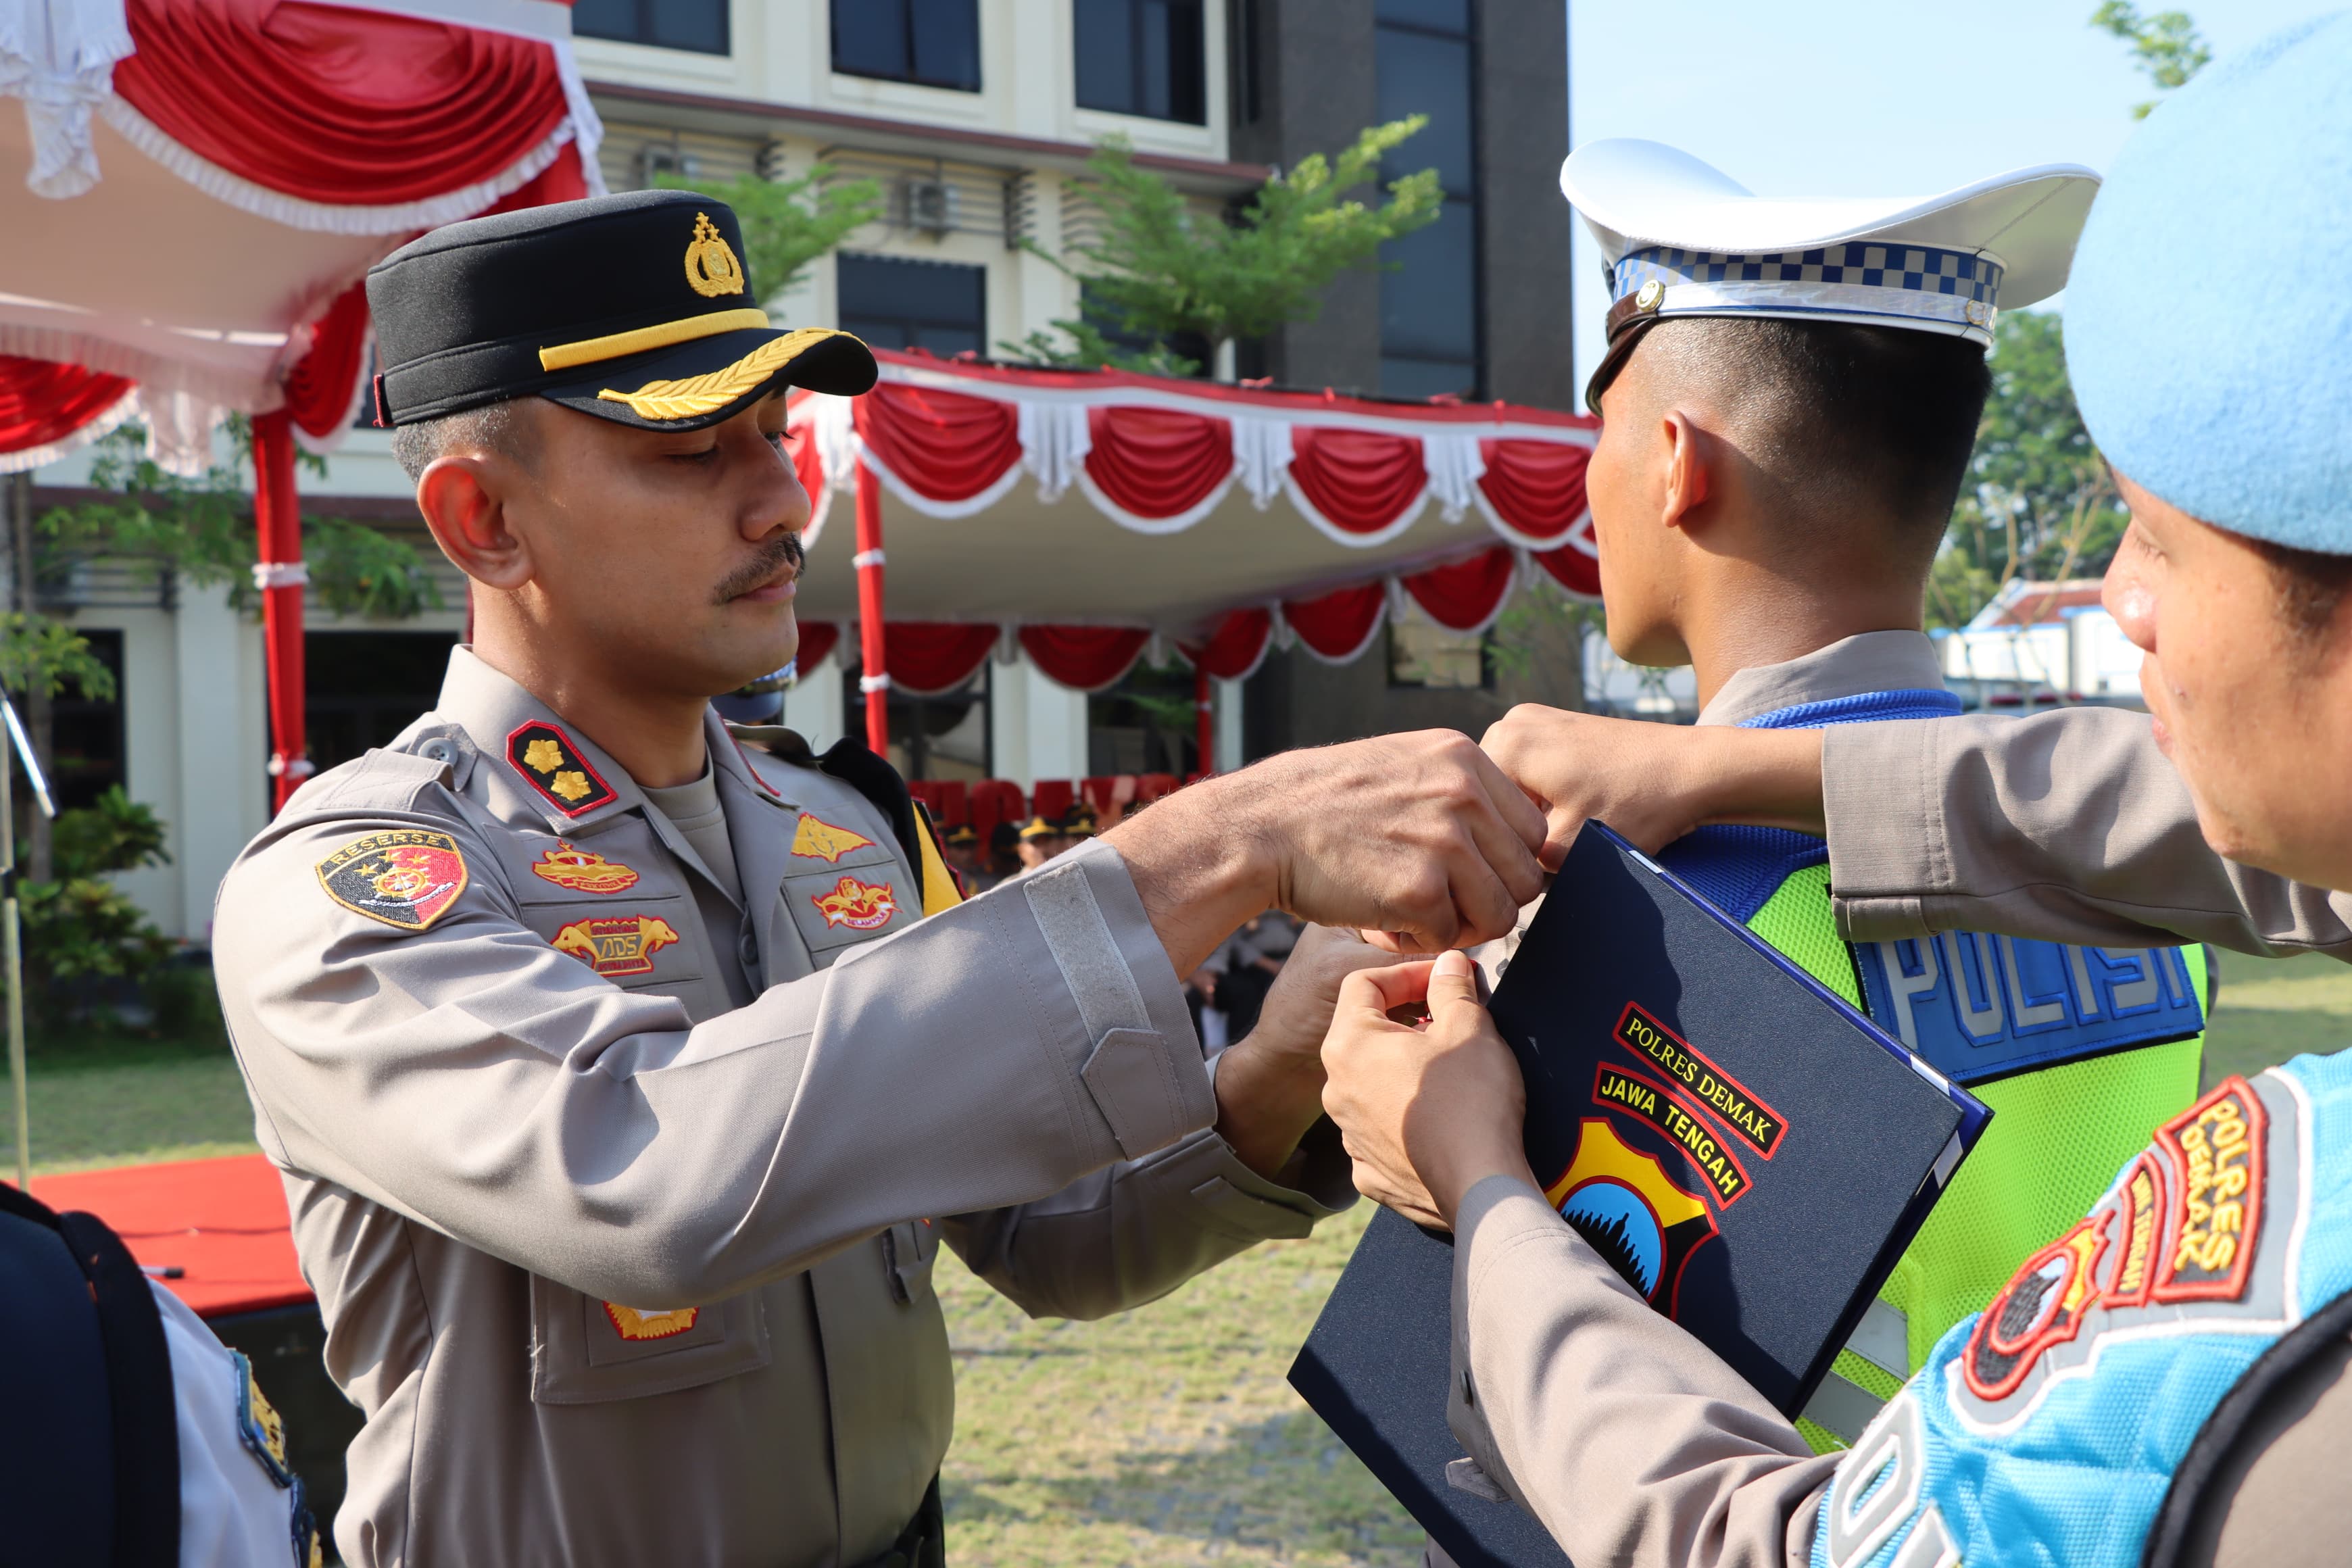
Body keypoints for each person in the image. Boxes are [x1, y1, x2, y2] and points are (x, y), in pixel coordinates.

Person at [209, 189, 1544, 1567]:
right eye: (689, 449)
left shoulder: (839, 828)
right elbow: (648, 1179)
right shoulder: (354, 886)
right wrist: (1225, 841)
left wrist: (1279, 1061)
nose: (785, 497)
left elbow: (1055, 1238)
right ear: (484, 519)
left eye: (775, 435)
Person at [1322, 18, 2352, 1566]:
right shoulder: (2186, 856)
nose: (2125, 596)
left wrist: (1469, 1179)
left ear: (1673, 462)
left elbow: (1536, 1478)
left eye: (2160, 535)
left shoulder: (1645, 926)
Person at [1467, 137, 2199, 1447]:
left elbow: (1534, 1431)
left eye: (1600, 433)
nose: (1585, 480)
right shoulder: (2145, 866)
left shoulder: (1647, 914)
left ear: (1677, 465)